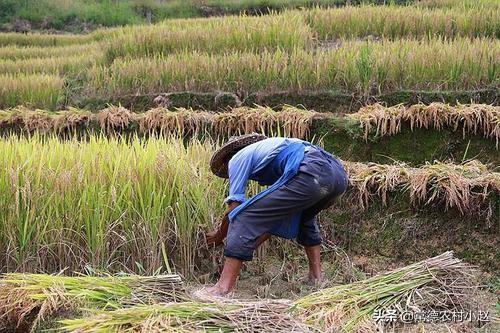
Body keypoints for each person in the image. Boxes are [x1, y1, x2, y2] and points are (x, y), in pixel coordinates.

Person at [203, 134, 348, 296]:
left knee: (243, 216)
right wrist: (245, 247)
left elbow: (234, 209)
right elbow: (273, 221)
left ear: (228, 159)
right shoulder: (272, 150)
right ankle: (316, 277)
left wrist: (219, 235)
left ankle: (222, 288)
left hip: (311, 170)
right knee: (304, 218)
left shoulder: (237, 159)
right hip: (338, 176)